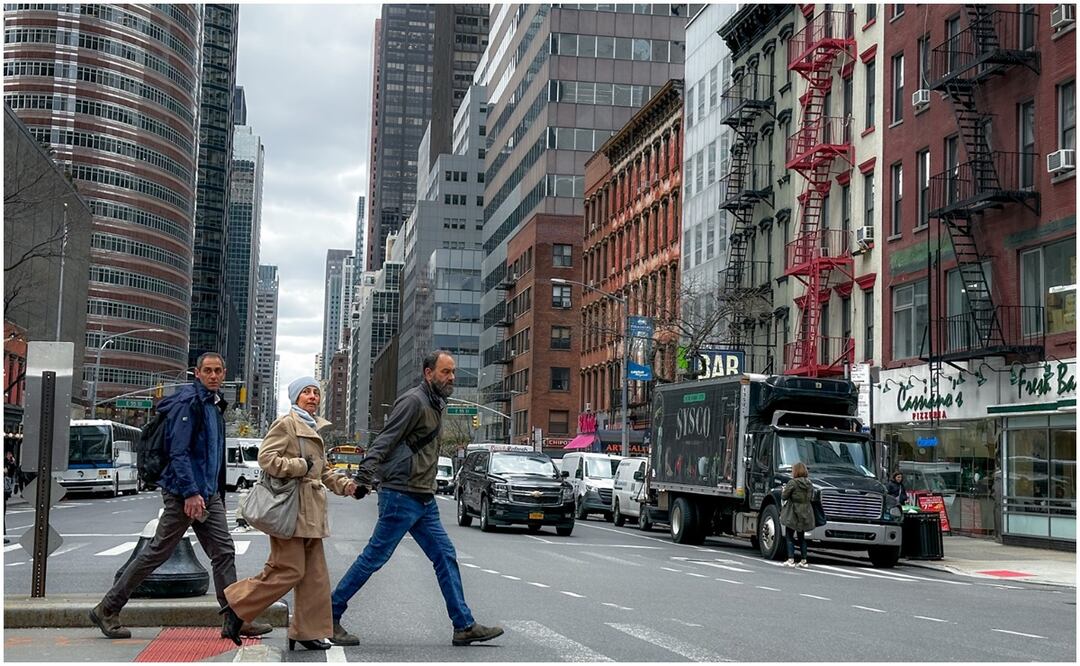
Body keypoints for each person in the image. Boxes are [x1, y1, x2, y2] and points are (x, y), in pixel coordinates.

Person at [89, 353, 271, 640]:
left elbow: (213, 458)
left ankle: (234, 620)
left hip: (206, 495)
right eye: (207, 371)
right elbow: (178, 452)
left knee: (223, 552)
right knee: (157, 553)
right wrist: (190, 492)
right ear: (197, 373)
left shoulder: (213, 405)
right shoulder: (190, 403)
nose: (213, 375)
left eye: (218, 371)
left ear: (224, 374)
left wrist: (215, 495)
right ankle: (108, 608)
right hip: (184, 494)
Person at [330, 350, 503, 647]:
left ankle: (463, 625)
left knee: (444, 555)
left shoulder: (435, 402)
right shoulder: (414, 401)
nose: (451, 377)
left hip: (423, 497)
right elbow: (385, 439)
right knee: (374, 558)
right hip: (401, 494)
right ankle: (329, 613)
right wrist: (363, 477)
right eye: (445, 372)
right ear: (428, 373)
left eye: (453, 372)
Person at [219, 377, 359, 651]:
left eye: (316, 392)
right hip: (291, 510)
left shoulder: (313, 428)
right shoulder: (287, 424)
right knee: (289, 570)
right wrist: (299, 465)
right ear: (295, 398)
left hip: (311, 513)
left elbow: (324, 470)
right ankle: (236, 606)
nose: (312, 397)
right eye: (306, 392)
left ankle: (307, 631)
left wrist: (349, 487)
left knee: (314, 577)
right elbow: (266, 458)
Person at [780, 461, 814, 568]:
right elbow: (811, 497)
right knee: (801, 537)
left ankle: (791, 559)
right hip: (806, 511)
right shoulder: (809, 483)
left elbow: (784, 496)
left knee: (789, 536)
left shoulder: (792, 483)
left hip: (793, 511)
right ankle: (804, 560)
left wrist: (784, 490)